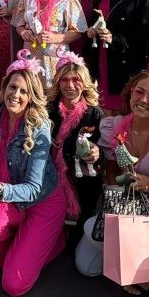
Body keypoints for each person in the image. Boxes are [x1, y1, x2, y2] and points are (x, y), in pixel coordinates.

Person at [74, 71, 149, 292]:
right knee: (86, 267)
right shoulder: (113, 126)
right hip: (120, 204)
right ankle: (129, 257)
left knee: (93, 229)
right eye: (139, 92)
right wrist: (119, 192)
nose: (143, 100)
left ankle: (138, 261)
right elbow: (111, 168)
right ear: (130, 94)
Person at [0, 51, 64, 297]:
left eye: (23, 91)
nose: (15, 95)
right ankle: (23, 245)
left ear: (31, 97)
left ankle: (54, 241)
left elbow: (33, 188)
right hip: (9, 197)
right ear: (4, 87)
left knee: (14, 286)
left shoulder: (40, 128)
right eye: (12, 87)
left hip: (40, 202)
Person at [85, 0, 149, 112]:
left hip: (124, 60)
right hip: (102, 55)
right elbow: (95, 19)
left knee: (123, 107)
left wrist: (114, 38)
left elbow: (144, 33)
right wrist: (91, 30)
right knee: (104, 105)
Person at [45, 49, 103, 232]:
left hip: (81, 177)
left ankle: (79, 233)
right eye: (64, 79)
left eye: (75, 79)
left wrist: (97, 152)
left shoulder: (94, 114)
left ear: (84, 82)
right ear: (58, 82)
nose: (70, 85)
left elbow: (103, 150)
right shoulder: (47, 110)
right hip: (49, 174)